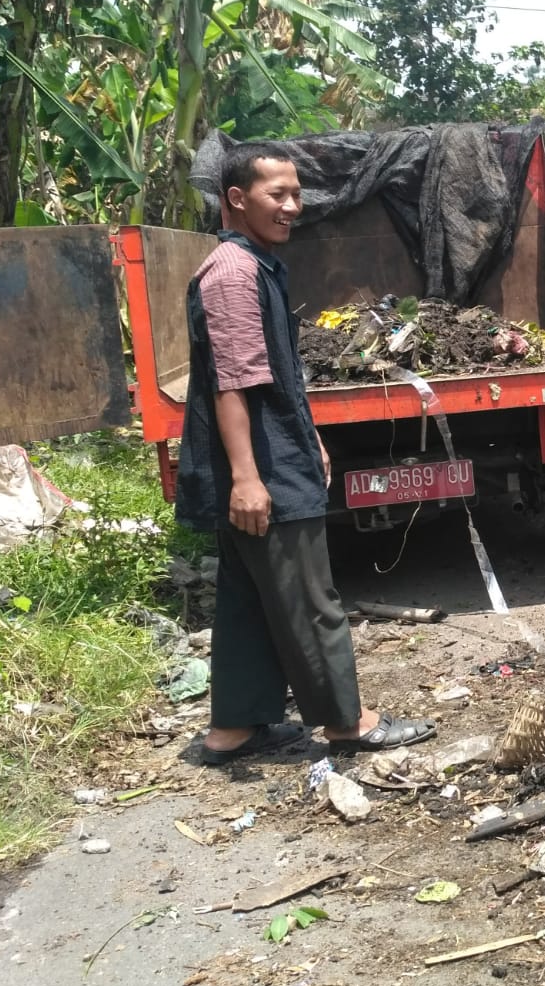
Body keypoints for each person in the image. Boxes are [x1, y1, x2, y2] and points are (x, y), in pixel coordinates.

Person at [176, 141, 436, 766]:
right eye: (278, 195)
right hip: (262, 469)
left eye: (297, 194)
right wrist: (247, 478)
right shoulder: (234, 274)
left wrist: (310, 435)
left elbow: (280, 373)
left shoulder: (259, 264)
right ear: (236, 200)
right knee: (309, 598)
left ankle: (233, 730)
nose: (293, 206)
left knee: (247, 599)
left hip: (275, 454)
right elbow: (232, 382)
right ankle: (348, 723)